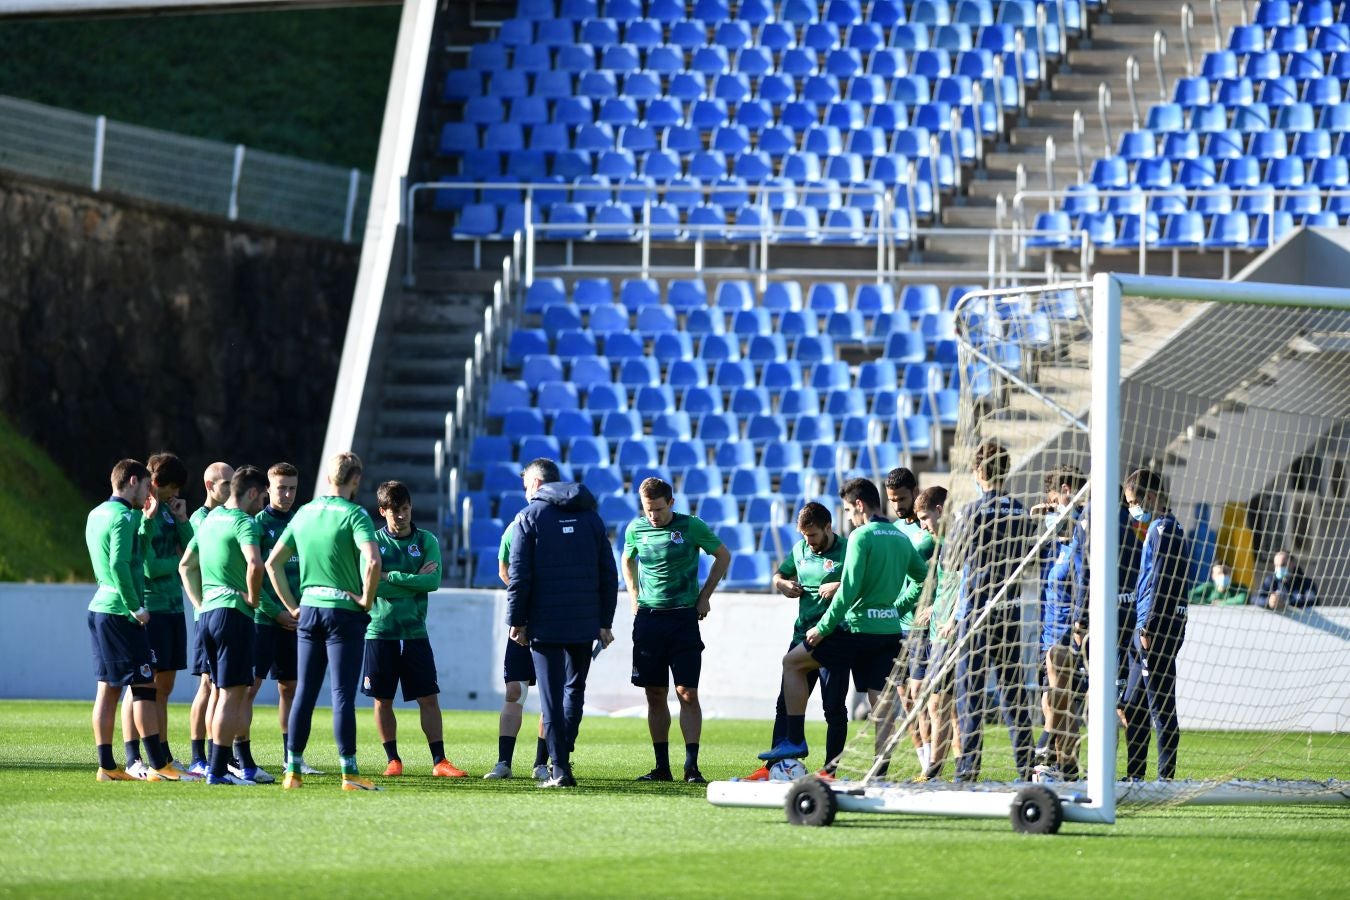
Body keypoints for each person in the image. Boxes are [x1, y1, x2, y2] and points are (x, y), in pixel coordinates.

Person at [759, 478, 928, 764]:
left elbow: (848, 590)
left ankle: (795, 740)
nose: (848, 517)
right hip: (888, 632)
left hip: (856, 630)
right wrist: (896, 610)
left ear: (859, 505)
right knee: (881, 700)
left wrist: (822, 629)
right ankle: (880, 767)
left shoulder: (861, 536)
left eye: (848, 510)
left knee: (793, 663)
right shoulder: (900, 537)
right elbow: (923, 578)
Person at [267, 451, 382, 791]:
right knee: (342, 694)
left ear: (328, 477)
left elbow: (272, 563)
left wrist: (292, 606)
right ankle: (349, 773)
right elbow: (373, 561)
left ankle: (292, 771)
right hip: (343, 611)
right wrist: (366, 598)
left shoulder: (304, 512)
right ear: (355, 480)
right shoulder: (354, 515)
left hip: (309, 608)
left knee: (304, 691)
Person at [507, 459, 618, 788]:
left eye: (527, 485)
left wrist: (517, 620)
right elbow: (608, 574)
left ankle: (558, 768)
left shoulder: (529, 517)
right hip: (584, 624)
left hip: (545, 623)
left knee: (551, 697)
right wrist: (604, 621)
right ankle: (563, 760)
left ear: (537, 484)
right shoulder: (591, 518)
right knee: (574, 693)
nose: (526, 491)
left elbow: (519, 576)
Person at [85, 459, 191, 782]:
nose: (149, 492)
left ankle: (107, 766)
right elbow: (120, 564)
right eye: (146, 485)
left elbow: (127, 555)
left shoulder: (96, 514)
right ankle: (160, 765)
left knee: (108, 689)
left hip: (100, 607)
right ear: (133, 481)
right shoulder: (123, 517)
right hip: (121, 612)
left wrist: (145, 523)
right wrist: (134, 606)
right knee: (145, 686)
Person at [623, 476, 732, 783]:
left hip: (683, 617)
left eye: (658, 509)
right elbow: (627, 559)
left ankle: (692, 766)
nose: (653, 516)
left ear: (671, 503)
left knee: (687, 692)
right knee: (654, 693)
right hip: (649, 619)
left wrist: (704, 596)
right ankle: (662, 767)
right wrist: (633, 596)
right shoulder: (635, 529)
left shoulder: (690, 526)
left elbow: (723, 555)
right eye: (648, 510)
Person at [363, 480, 467, 778]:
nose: (401, 515)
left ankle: (440, 761)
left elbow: (431, 582)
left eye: (405, 509)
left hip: (414, 632)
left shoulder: (426, 541)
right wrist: (410, 579)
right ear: (383, 511)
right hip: (380, 630)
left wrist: (390, 576)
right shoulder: (371, 541)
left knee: (428, 697)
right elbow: (368, 584)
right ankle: (392, 760)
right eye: (394, 510)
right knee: (382, 699)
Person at [950, 440, 1037, 783]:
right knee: (1013, 694)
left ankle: (968, 770)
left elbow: (953, 560)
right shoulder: (1020, 511)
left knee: (969, 692)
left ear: (979, 472)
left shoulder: (969, 513)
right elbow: (1031, 557)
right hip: (1009, 610)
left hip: (975, 612)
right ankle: (1026, 769)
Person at [744, 502, 849, 780]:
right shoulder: (800, 549)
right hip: (802, 636)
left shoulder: (849, 549)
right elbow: (779, 573)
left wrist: (839, 585)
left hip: (834, 636)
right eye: (804, 536)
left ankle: (831, 770)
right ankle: (774, 766)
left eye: (813, 535)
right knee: (784, 704)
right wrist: (782, 584)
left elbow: (863, 581)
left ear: (828, 527)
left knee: (834, 708)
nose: (809, 542)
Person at [179, 465, 269, 785]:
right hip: (234, 614)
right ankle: (217, 771)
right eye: (264, 495)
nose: (265, 503)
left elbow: (185, 565)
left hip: (208, 616)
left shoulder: (210, 520)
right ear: (254, 493)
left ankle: (213, 766)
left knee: (217, 692)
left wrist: (200, 603)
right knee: (232, 695)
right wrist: (253, 598)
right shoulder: (245, 523)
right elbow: (256, 564)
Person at [121, 451, 192, 777]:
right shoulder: (140, 512)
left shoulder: (167, 510)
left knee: (163, 687)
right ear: (158, 483)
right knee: (141, 686)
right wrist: (180, 568)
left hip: (174, 606)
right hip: (152, 608)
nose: (175, 494)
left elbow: (193, 550)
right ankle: (134, 755)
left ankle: (161, 753)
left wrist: (182, 522)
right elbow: (147, 565)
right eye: (172, 488)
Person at [1121, 468, 1190, 781]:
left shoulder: (1164, 530)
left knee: (1160, 705)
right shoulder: (1160, 529)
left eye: (1134, 502)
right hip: (1144, 626)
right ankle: (1135, 776)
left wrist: (1148, 625)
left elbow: (1163, 580)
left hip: (1155, 629)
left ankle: (1165, 779)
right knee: (1132, 706)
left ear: (1149, 497)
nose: (1133, 509)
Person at [247, 462, 308, 778]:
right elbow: (253, 578)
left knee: (290, 687)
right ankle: (238, 754)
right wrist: (277, 612)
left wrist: (299, 610)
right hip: (265, 619)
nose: (286, 494)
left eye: (292, 488)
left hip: (296, 619)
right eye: (281, 487)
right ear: (267, 489)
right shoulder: (257, 525)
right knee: (249, 688)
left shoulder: (302, 523)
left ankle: (291, 756)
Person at [483, 498, 550, 782]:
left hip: (553, 622)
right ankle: (504, 763)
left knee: (551, 696)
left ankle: (541, 764)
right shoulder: (515, 527)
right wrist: (522, 605)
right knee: (515, 692)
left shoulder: (560, 526)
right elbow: (503, 568)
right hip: (522, 621)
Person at [1032, 465, 1088, 782]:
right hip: (1047, 633)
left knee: (1058, 696)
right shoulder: (1056, 539)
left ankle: (1045, 751)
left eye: (1055, 501)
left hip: (1069, 632)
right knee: (1056, 700)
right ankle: (1067, 767)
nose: (1052, 508)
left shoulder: (1084, 534)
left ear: (1067, 491)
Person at [886, 466, 937, 771]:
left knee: (929, 701)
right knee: (906, 701)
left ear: (915, 492)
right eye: (892, 500)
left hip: (924, 625)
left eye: (902, 498)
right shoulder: (892, 531)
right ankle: (923, 766)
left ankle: (936, 763)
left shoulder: (928, 527)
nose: (897, 505)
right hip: (897, 625)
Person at [185, 460, 233, 777]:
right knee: (208, 684)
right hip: (209, 614)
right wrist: (200, 606)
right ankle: (199, 756)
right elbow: (188, 565)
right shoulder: (200, 520)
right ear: (209, 486)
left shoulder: (226, 517)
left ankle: (218, 754)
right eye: (225, 483)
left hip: (217, 612)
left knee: (217, 685)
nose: (231, 489)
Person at [914, 486, 959, 780]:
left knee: (938, 704)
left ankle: (933, 772)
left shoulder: (956, 543)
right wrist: (933, 609)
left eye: (925, 518)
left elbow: (967, 584)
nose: (923, 525)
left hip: (949, 634)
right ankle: (955, 770)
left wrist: (954, 617)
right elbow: (947, 586)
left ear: (940, 511)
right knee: (944, 707)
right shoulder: (941, 544)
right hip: (936, 630)